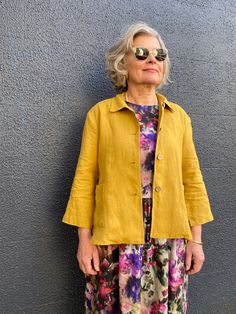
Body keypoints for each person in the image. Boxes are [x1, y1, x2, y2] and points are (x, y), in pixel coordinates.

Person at [63, 22, 213, 313]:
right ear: (124, 62)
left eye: (160, 54)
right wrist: (84, 241)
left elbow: (192, 180)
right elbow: (84, 179)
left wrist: (197, 241)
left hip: (167, 243)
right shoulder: (101, 115)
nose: (152, 59)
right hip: (115, 244)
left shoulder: (179, 117)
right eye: (142, 52)